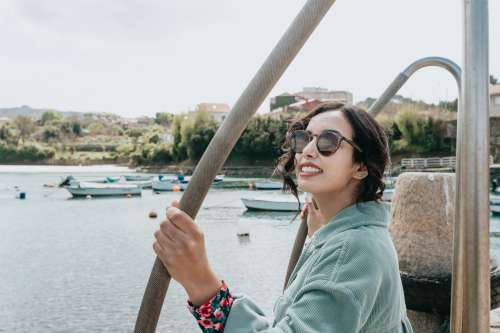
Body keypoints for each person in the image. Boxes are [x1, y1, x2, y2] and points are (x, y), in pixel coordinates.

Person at [153, 102, 414, 332]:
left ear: (361, 167)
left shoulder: (351, 249)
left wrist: (199, 280)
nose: (308, 151)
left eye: (328, 141)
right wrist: (321, 234)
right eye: (304, 139)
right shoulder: (352, 235)